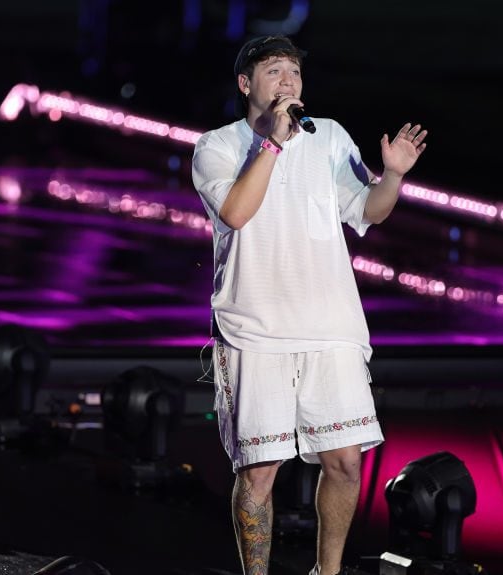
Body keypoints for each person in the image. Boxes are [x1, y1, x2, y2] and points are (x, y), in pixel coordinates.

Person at [191, 35, 428, 575]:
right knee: (259, 470)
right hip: (254, 329)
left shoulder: (329, 138)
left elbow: (367, 210)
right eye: (274, 71)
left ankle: (329, 571)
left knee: (345, 462)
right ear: (245, 84)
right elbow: (235, 212)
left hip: (330, 326)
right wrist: (273, 144)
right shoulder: (218, 146)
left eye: (294, 71)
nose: (288, 81)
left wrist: (391, 175)